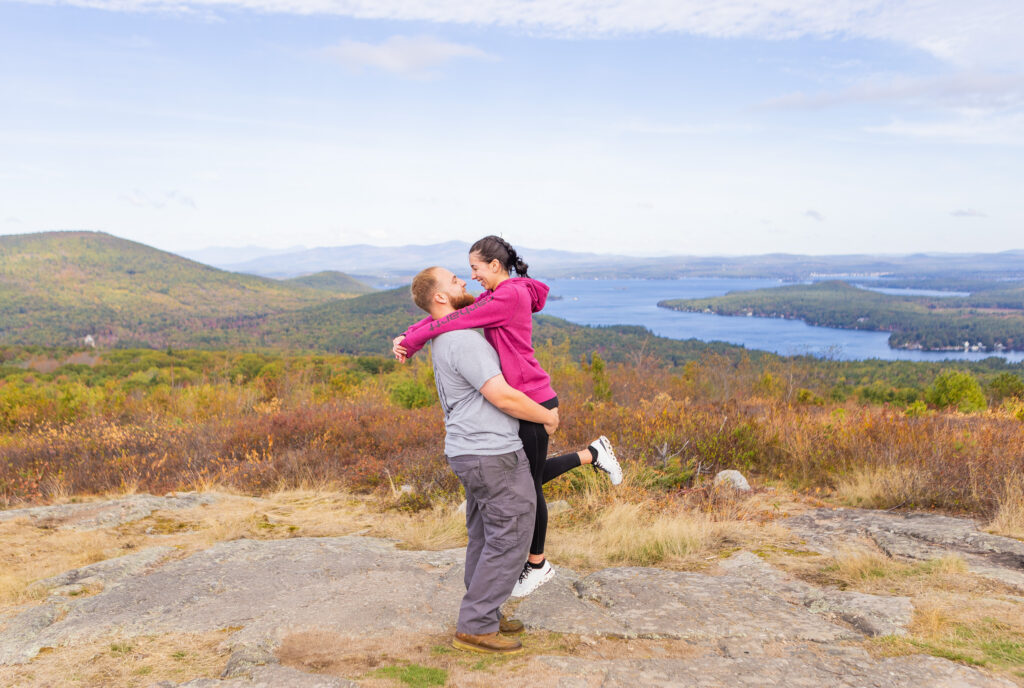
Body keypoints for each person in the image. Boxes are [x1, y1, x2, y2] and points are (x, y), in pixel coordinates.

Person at [393, 236, 623, 598]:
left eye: (474, 269)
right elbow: (453, 318)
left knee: (528, 486)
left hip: (530, 401)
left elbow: (452, 320)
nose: (471, 278)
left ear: (495, 266)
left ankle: (537, 564)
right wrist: (411, 335)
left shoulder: (509, 296)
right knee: (525, 476)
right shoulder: (498, 295)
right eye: (465, 273)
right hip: (526, 399)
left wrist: (412, 339)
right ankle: (592, 454)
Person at [409, 265, 559, 654]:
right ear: (440, 297)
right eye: (455, 281)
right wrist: (547, 416)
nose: (463, 281)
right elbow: (502, 395)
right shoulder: (463, 340)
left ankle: (485, 614)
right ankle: (476, 625)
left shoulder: (446, 337)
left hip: (468, 451)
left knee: (485, 534)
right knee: (512, 531)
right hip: (491, 453)